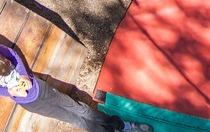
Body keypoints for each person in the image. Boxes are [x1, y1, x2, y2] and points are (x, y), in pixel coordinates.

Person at [0, 35, 151, 131]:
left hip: (40, 88)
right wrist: (10, 92)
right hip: (30, 103)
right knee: (74, 119)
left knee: (78, 108)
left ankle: (121, 125)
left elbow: (12, 54)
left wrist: (25, 76)